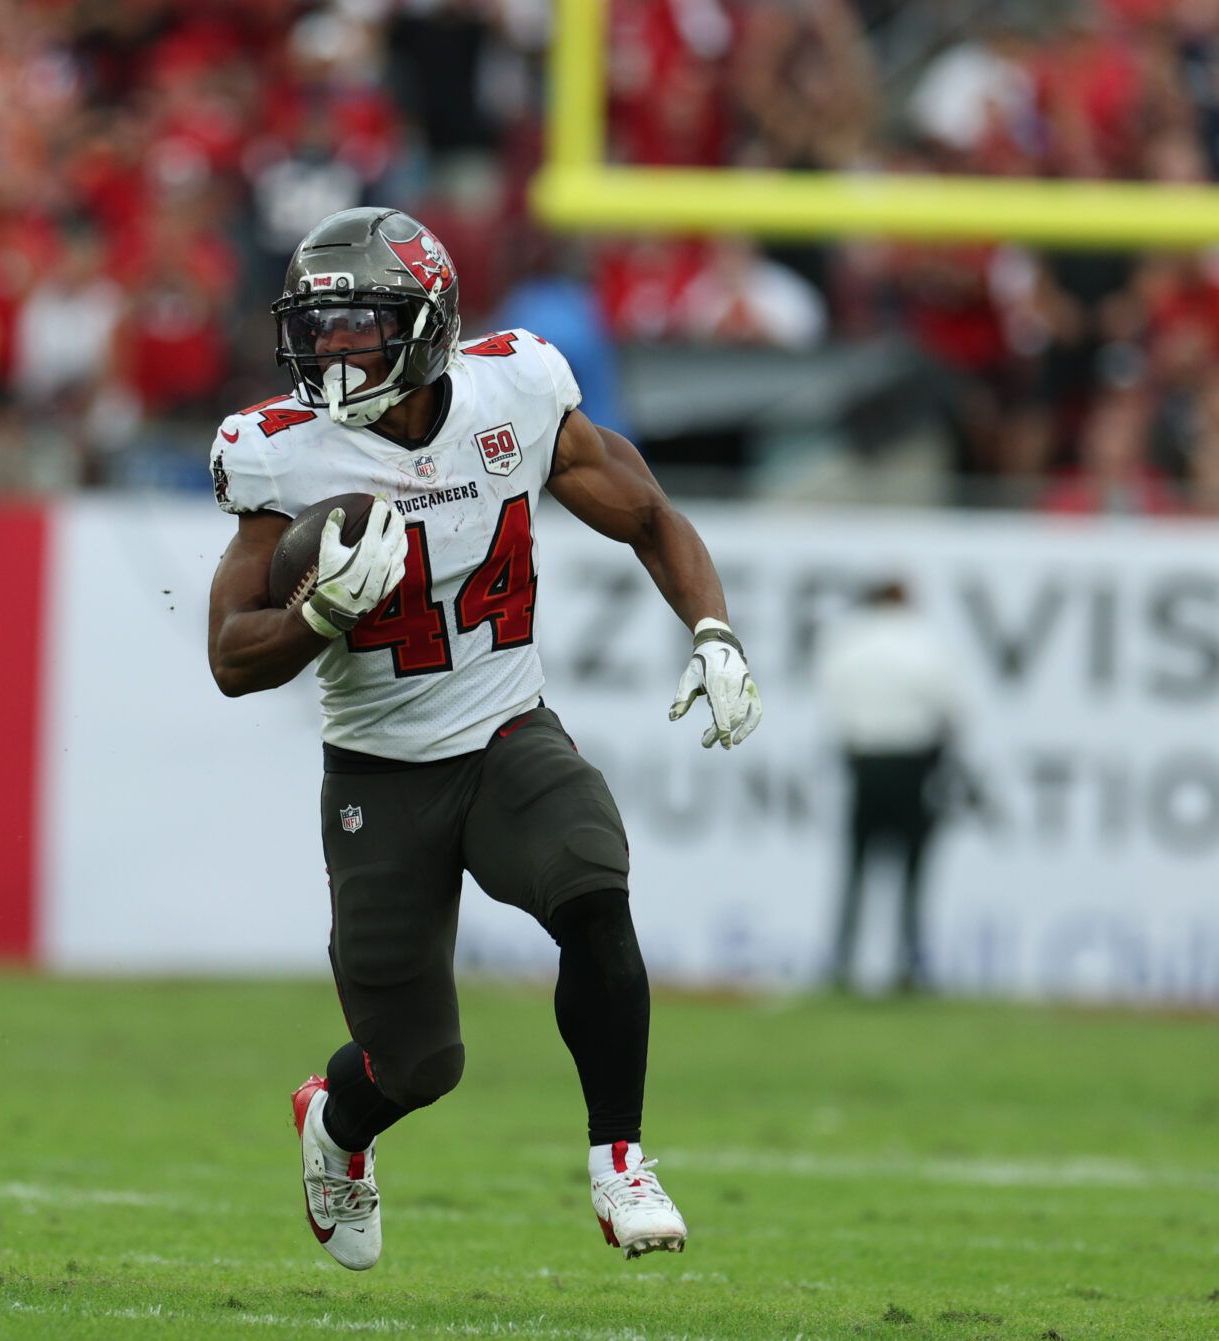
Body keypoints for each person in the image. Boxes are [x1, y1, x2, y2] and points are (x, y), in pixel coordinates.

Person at [205, 207, 764, 1272]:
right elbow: (233, 656)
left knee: (594, 883)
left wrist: (713, 628)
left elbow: (648, 514)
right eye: (319, 328)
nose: (331, 350)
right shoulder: (279, 453)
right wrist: (318, 618)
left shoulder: (517, 392)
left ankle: (620, 1161)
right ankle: (336, 1127)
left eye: (358, 326)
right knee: (417, 1062)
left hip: (506, 731)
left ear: (423, 329)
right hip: (379, 770)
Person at [815, 579, 963, 993]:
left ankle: (841, 962)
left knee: (855, 870)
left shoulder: (849, 642)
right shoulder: (926, 644)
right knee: (913, 875)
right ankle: (910, 965)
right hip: (914, 765)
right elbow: (950, 711)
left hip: (864, 763)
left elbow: (833, 701)